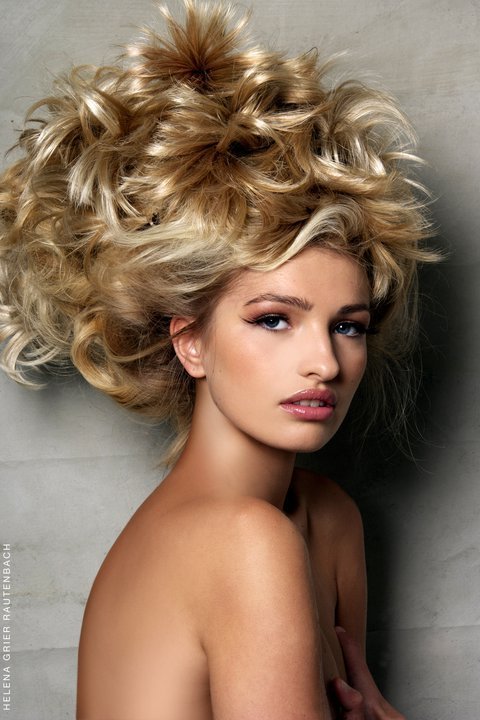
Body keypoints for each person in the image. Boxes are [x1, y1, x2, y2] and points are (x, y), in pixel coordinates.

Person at [0, 1, 437, 718]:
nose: (325, 363)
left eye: (348, 327)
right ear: (191, 341)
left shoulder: (330, 521)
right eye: (274, 320)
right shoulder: (244, 541)